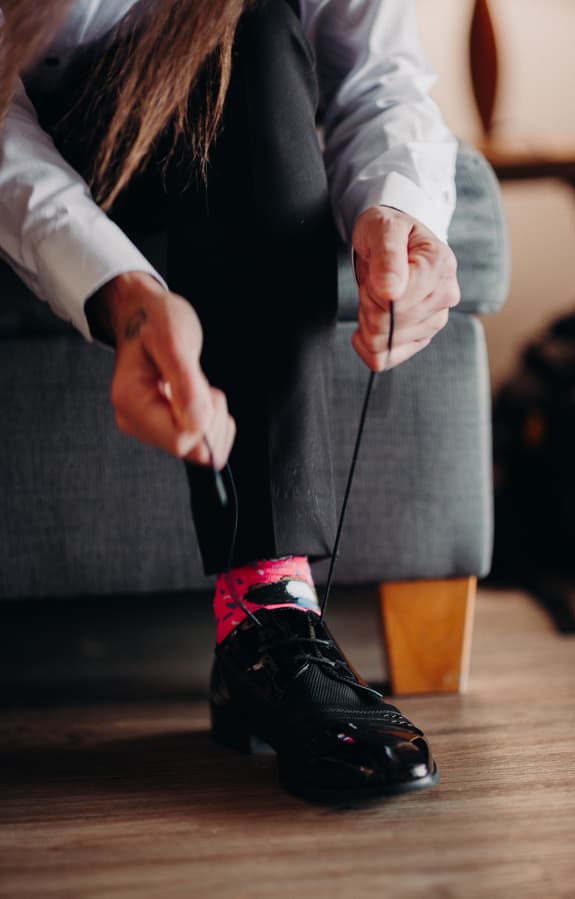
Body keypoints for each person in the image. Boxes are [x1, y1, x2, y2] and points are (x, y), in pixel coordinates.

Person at [0, 0, 460, 800]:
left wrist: (400, 211)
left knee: (244, 26)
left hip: (231, 130)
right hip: (40, 133)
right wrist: (121, 292)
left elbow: (375, 74)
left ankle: (269, 610)